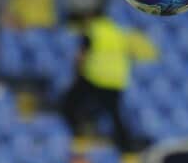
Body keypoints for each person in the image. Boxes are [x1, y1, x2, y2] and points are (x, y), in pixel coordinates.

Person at [60, 9, 157, 151]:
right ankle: (125, 145)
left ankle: (76, 132)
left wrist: (77, 72)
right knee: (114, 113)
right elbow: (133, 53)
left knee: (70, 103)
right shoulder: (117, 31)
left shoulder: (92, 30)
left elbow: (82, 55)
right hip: (116, 79)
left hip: (96, 76)